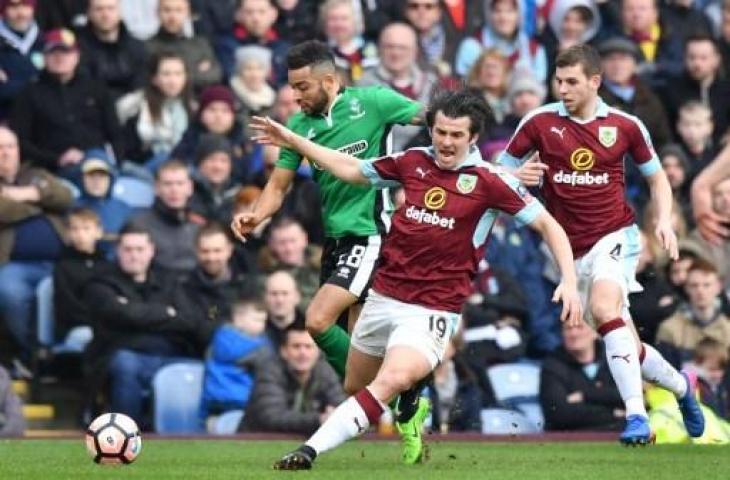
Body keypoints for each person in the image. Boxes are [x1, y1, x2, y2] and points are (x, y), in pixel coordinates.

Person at [247, 88, 581, 469]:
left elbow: (548, 225)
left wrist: (568, 280)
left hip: (432, 309)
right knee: (357, 387)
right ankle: (409, 407)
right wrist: (294, 140)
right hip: (384, 296)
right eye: (441, 132)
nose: (446, 142)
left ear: (473, 138)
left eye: (457, 135)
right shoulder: (413, 161)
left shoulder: (491, 181)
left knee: (389, 380)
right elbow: (352, 169)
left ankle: (307, 452)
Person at [498, 44, 705, 444]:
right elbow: (499, 173)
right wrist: (517, 175)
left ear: (595, 81)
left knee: (603, 307)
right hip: (565, 249)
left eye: (572, 81)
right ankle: (681, 388)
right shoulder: (539, 122)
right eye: (558, 80)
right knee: (625, 342)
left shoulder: (626, 126)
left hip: (615, 236)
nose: (563, 88)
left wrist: (663, 218)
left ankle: (636, 418)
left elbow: (658, 177)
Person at [231, 40, 425, 461]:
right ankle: (405, 403)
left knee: (317, 320)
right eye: (292, 87)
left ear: (330, 80)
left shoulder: (373, 102)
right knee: (357, 380)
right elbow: (279, 185)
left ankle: (400, 399)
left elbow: (434, 117)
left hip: (374, 234)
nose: (296, 96)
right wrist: (255, 215)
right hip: (336, 243)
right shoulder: (298, 126)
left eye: (302, 87)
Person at [239, 325, 345, 435]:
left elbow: (341, 407)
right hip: (255, 439)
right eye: (296, 346)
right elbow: (272, 417)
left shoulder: (325, 372)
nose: (303, 353)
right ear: (283, 351)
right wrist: (319, 419)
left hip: (303, 440)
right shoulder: (269, 372)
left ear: (317, 352)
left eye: (308, 347)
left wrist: (333, 415)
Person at [540, 320, 624, 431]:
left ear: (595, 332)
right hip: (568, 439)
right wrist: (613, 413)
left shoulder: (614, 359)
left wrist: (585, 395)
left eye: (580, 327)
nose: (574, 334)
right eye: (568, 329)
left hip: (617, 435)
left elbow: (629, 397)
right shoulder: (552, 366)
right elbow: (559, 413)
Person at [200, 296, 270, 429]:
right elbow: (232, 352)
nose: (261, 325)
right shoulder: (225, 337)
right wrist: (262, 349)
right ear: (238, 319)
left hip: (240, 396)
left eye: (263, 321)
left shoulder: (260, 342)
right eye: (256, 320)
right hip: (223, 396)